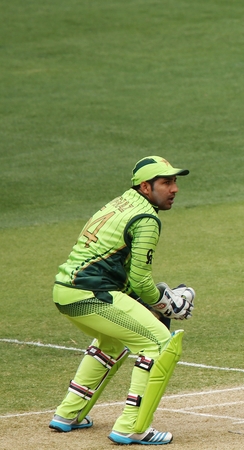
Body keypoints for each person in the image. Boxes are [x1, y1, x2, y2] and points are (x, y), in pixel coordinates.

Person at [49, 156, 196, 445]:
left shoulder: (120, 203)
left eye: (175, 181)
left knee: (113, 341)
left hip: (68, 292)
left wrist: (151, 302)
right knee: (160, 343)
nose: (174, 189)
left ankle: (68, 413)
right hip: (92, 295)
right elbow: (141, 280)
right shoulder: (146, 219)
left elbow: (121, 271)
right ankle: (132, 427)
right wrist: (166, 304)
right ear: (145, 187)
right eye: (166, 182)